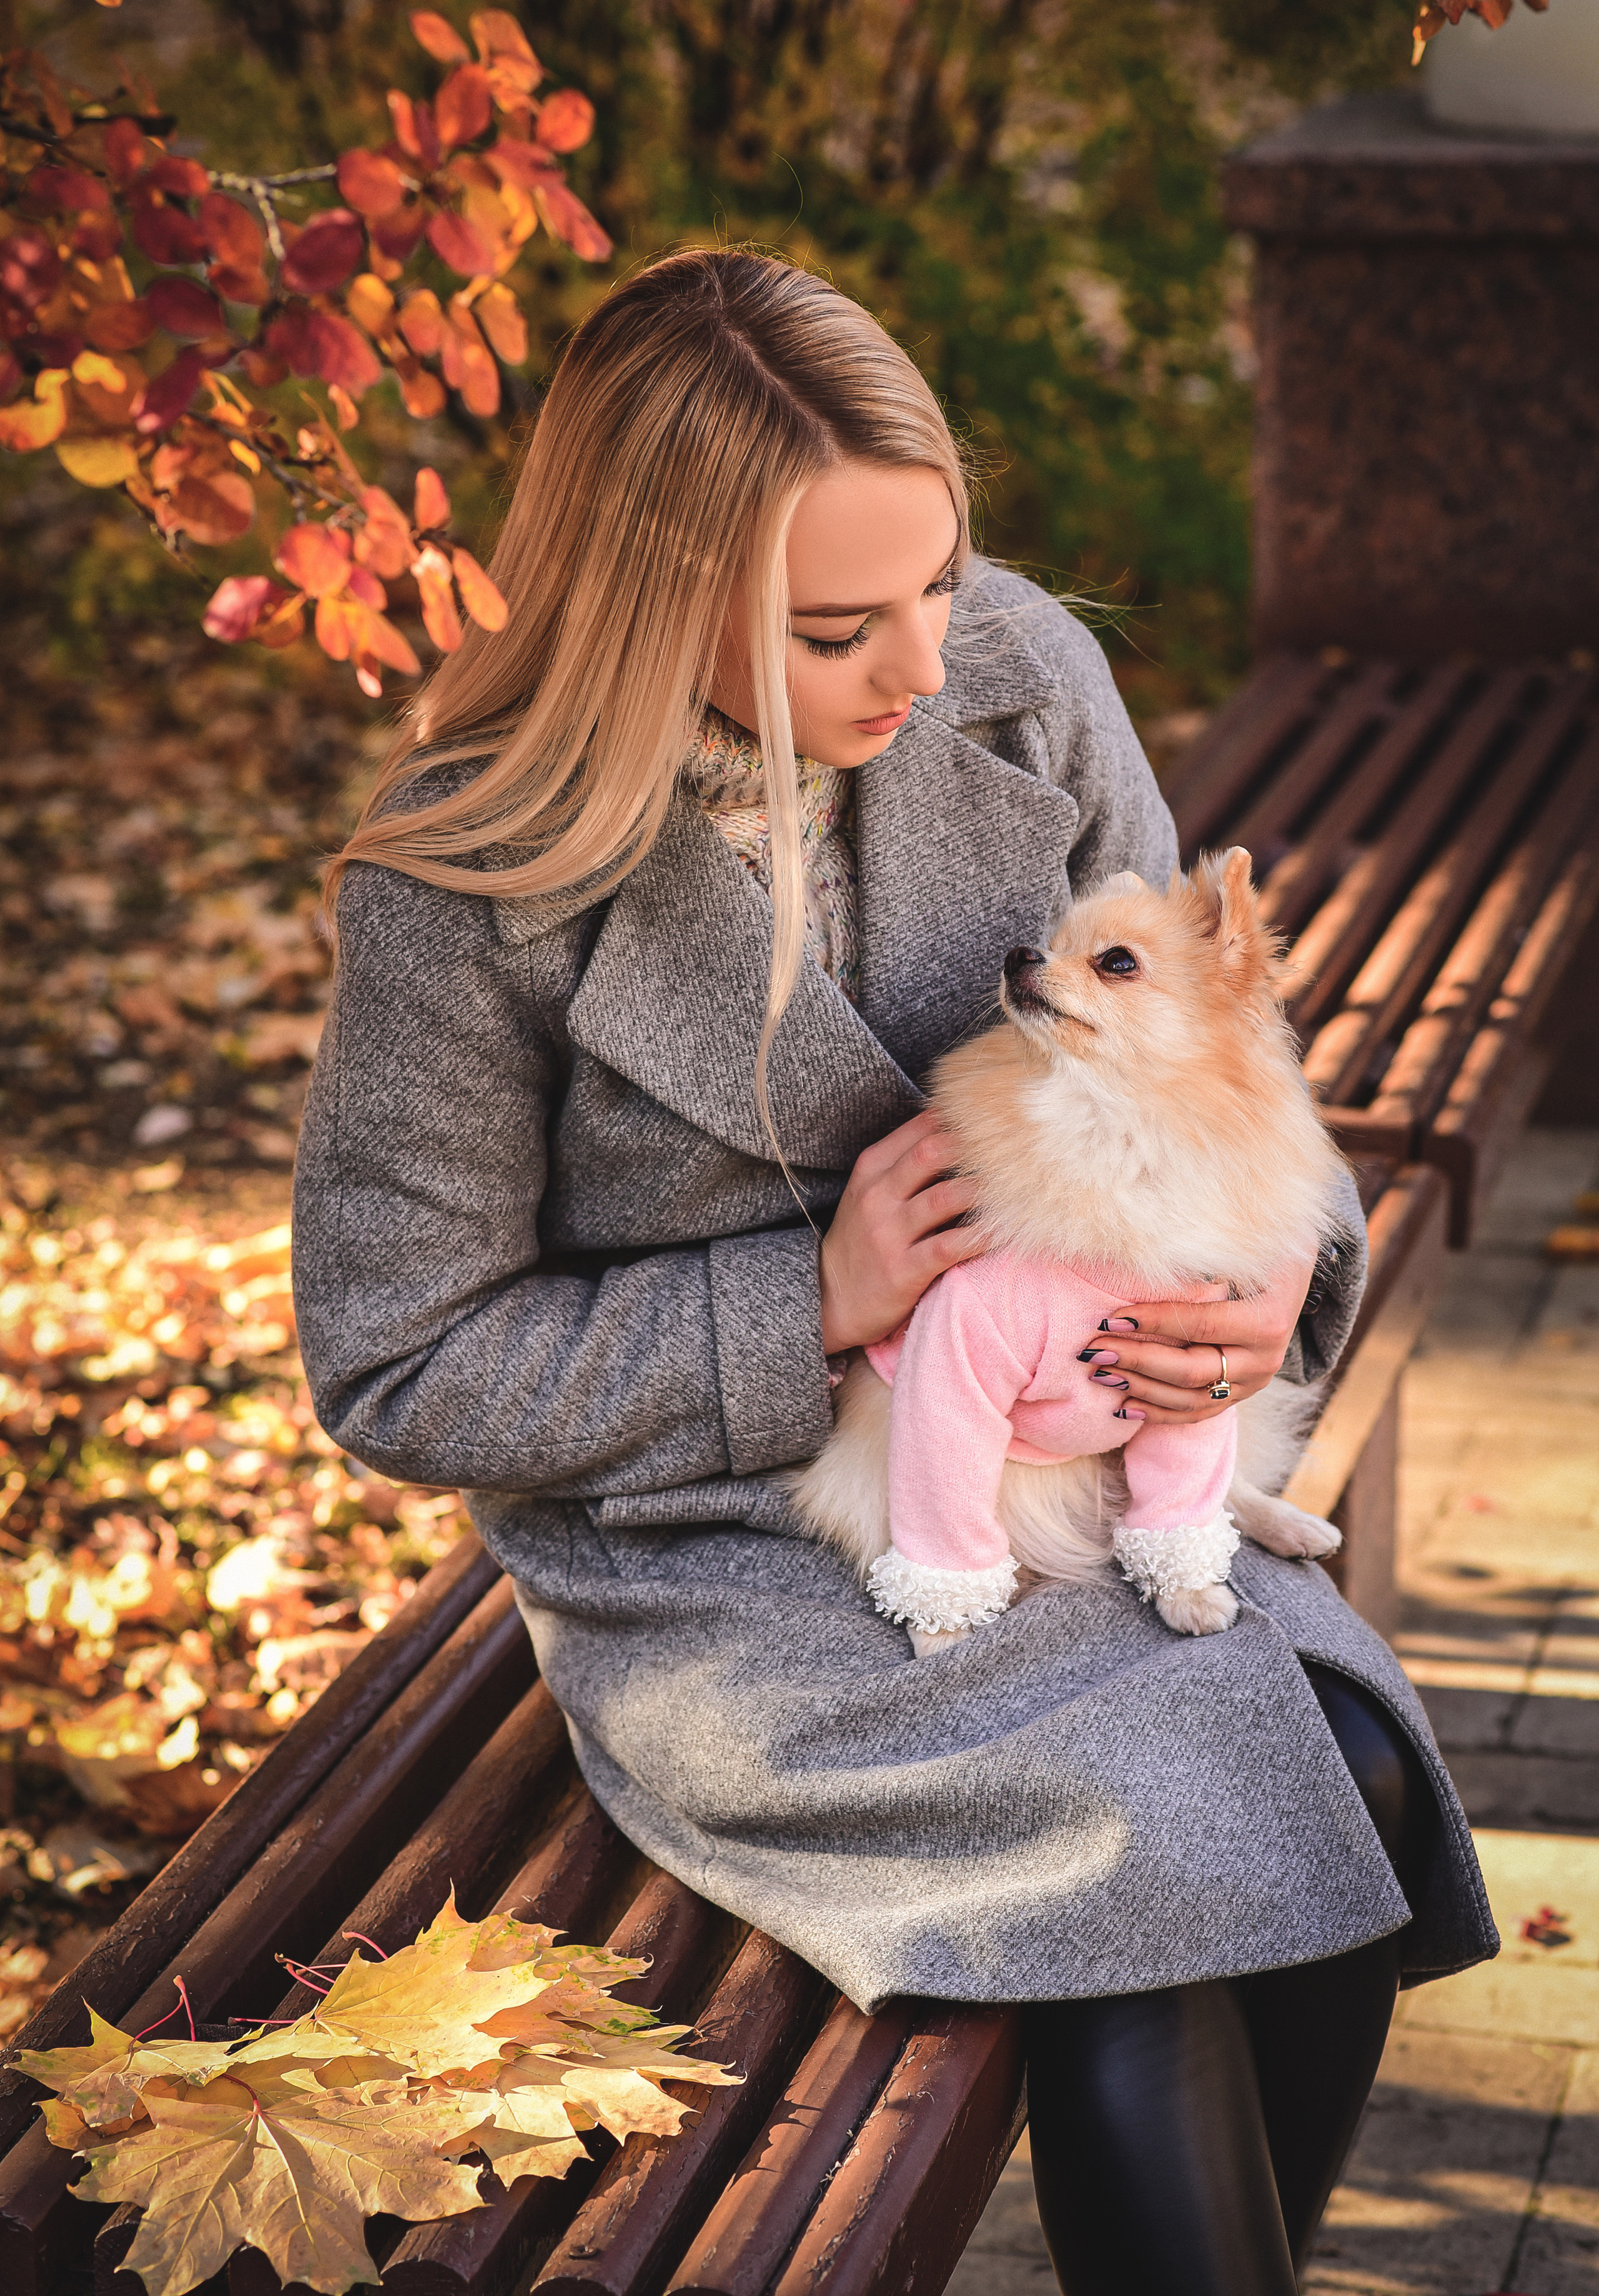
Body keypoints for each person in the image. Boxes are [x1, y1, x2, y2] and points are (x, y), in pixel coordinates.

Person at [292, 248, 1495, 2295]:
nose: (928, 664)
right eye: (841, 626)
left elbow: (1215, 1046)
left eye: (940, 577)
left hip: (1098, 1449)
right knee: (1145, 1904)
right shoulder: (464, 872)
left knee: (1366, 1773)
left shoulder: (1020, 673)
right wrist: (814, 1296)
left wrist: (1258, 1300)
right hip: (739, 1538)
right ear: (653, 603)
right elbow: (402, 1365)